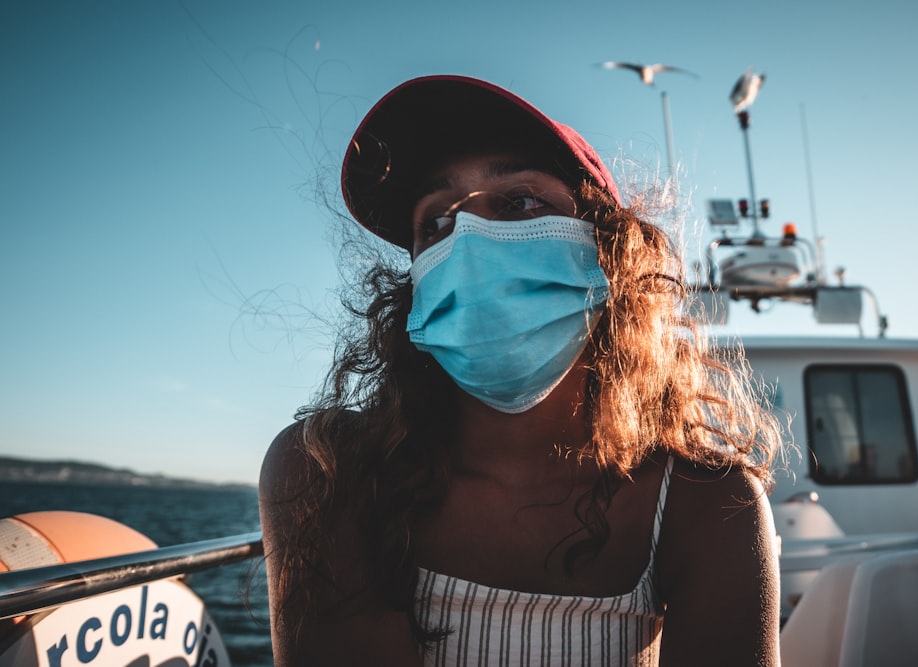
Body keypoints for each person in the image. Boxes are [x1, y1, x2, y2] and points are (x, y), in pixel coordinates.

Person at [259, 74, 784, 666]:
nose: (472, 243)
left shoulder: (704, 505)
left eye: (521, 202)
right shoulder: (330, 471)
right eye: (437, 222)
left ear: (608, 253)